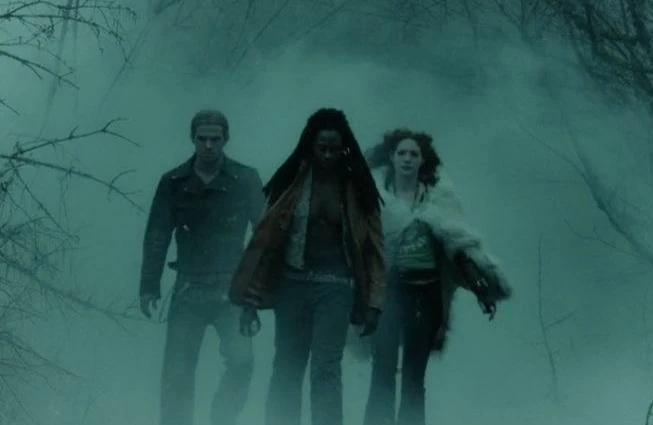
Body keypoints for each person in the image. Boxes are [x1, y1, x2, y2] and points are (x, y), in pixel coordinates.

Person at [229, 107, 386, 425]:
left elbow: (374, 251)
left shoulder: (358, 188)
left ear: (344, 148)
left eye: (333, 149)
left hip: (335, 287)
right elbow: (265, 245)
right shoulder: (291, 183)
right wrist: (250, 302)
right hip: (292, 285)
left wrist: (374, 303)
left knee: (326, 368)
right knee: (287, 367)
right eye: (321, 148)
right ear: (310, 146)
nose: (327, 154)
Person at [361, 128, 512, 425]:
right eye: (402, 153)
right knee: (382, 371)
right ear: (391, 157)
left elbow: (459, 246)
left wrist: (481, 287)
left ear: (422, 160)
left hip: (425, 295)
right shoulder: (374, 199)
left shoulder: (439, 201)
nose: (407, 159)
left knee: (414, 376)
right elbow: (359, 244)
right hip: (387, 293)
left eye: (413, 154)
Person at [138, 109, 265, 425]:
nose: (208, 145)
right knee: (177, 375)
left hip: (232, 289)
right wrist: (149, 286)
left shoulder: (245, 179)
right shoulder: (173, 182)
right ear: (192, 139)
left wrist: (257, 291)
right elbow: (157, 236)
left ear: (226, 139)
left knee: (242, 362)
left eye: (215, 139)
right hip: (188, 289)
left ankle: (222, 418)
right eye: (202, 138)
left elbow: (264, 237)